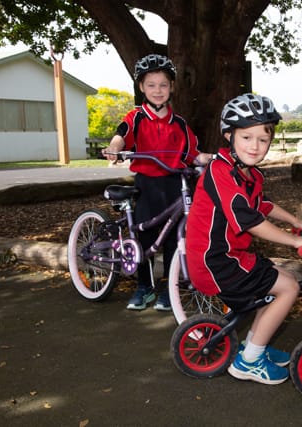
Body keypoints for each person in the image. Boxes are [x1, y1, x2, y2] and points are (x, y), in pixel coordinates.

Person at [186, 93, 302, 385]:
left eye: (263, 139)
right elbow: (250, 221)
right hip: (216, 263)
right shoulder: (220, 172)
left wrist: (293, 221)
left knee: (280, 281)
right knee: (289, 288)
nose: (255, 146)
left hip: (231, 257)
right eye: (246, 137)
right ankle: (249, 362)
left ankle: (255, 346)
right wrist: (294, 242)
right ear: (229, 136)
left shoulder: (247, 173)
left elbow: (261, 205)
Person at [102, 54, 212, 312]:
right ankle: (144, 287)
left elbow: (193, 153)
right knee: (144, 235)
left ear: (172, 86)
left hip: (175, 183)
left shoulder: (180, 124)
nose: (158, 90)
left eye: (163, 84)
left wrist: (208, 158)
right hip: (147, 184)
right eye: (151, 85)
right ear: (141, 87)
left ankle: (169, 287)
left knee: (176, 236)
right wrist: (114, 147)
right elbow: (122, 134)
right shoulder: (136, 117)